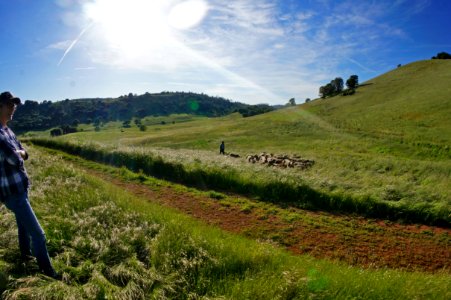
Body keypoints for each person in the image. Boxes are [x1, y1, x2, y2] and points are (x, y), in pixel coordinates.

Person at [0, 91, 58, 279]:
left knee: (23, 226)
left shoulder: (8, 130)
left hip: (20, 188)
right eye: (10, 105)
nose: (13, 109)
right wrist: (20, 153)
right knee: (39, 235)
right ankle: (47, 273)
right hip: (13, 193)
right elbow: (16, 158)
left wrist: (20, 152)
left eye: (14, 105)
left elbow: (23, 152)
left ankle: (25, 257)